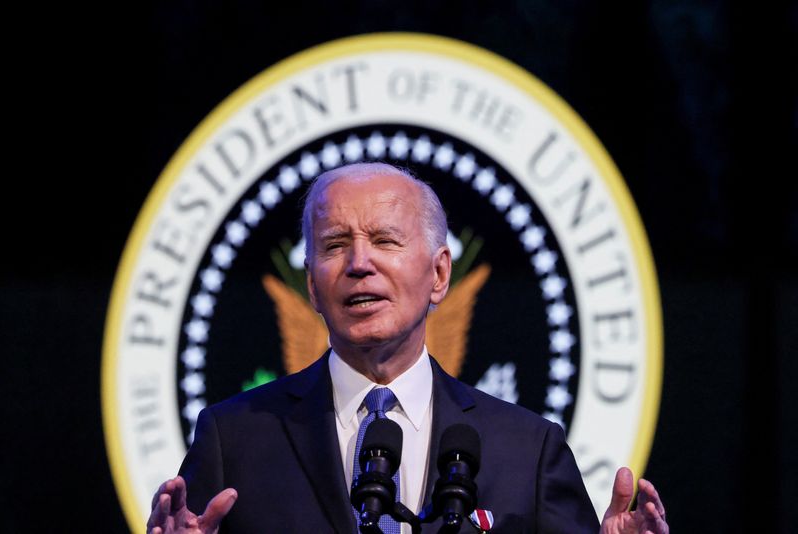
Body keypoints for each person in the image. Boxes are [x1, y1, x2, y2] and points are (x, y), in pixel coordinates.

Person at [147, 163, 668, 534]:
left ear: (440, 274)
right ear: (311, 286)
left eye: (385, 241)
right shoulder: (233, 437)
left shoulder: (528, 451)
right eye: (334, 245)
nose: (358, 263)